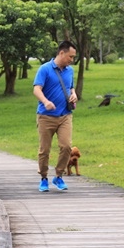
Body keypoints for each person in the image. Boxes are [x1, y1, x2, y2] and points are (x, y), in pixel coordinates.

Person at [33, 41, 78, 192]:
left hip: (65, 115)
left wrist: (74, 95)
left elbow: (70, 87)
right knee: (44, 150)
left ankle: (58, 176)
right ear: (61, 53)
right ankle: (44, 178)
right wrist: (45, 101)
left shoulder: (70, 71)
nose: (72, 60)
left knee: (66, 146)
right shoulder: (45, 69)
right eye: (70, 56)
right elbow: (36, 89)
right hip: (46, 116)